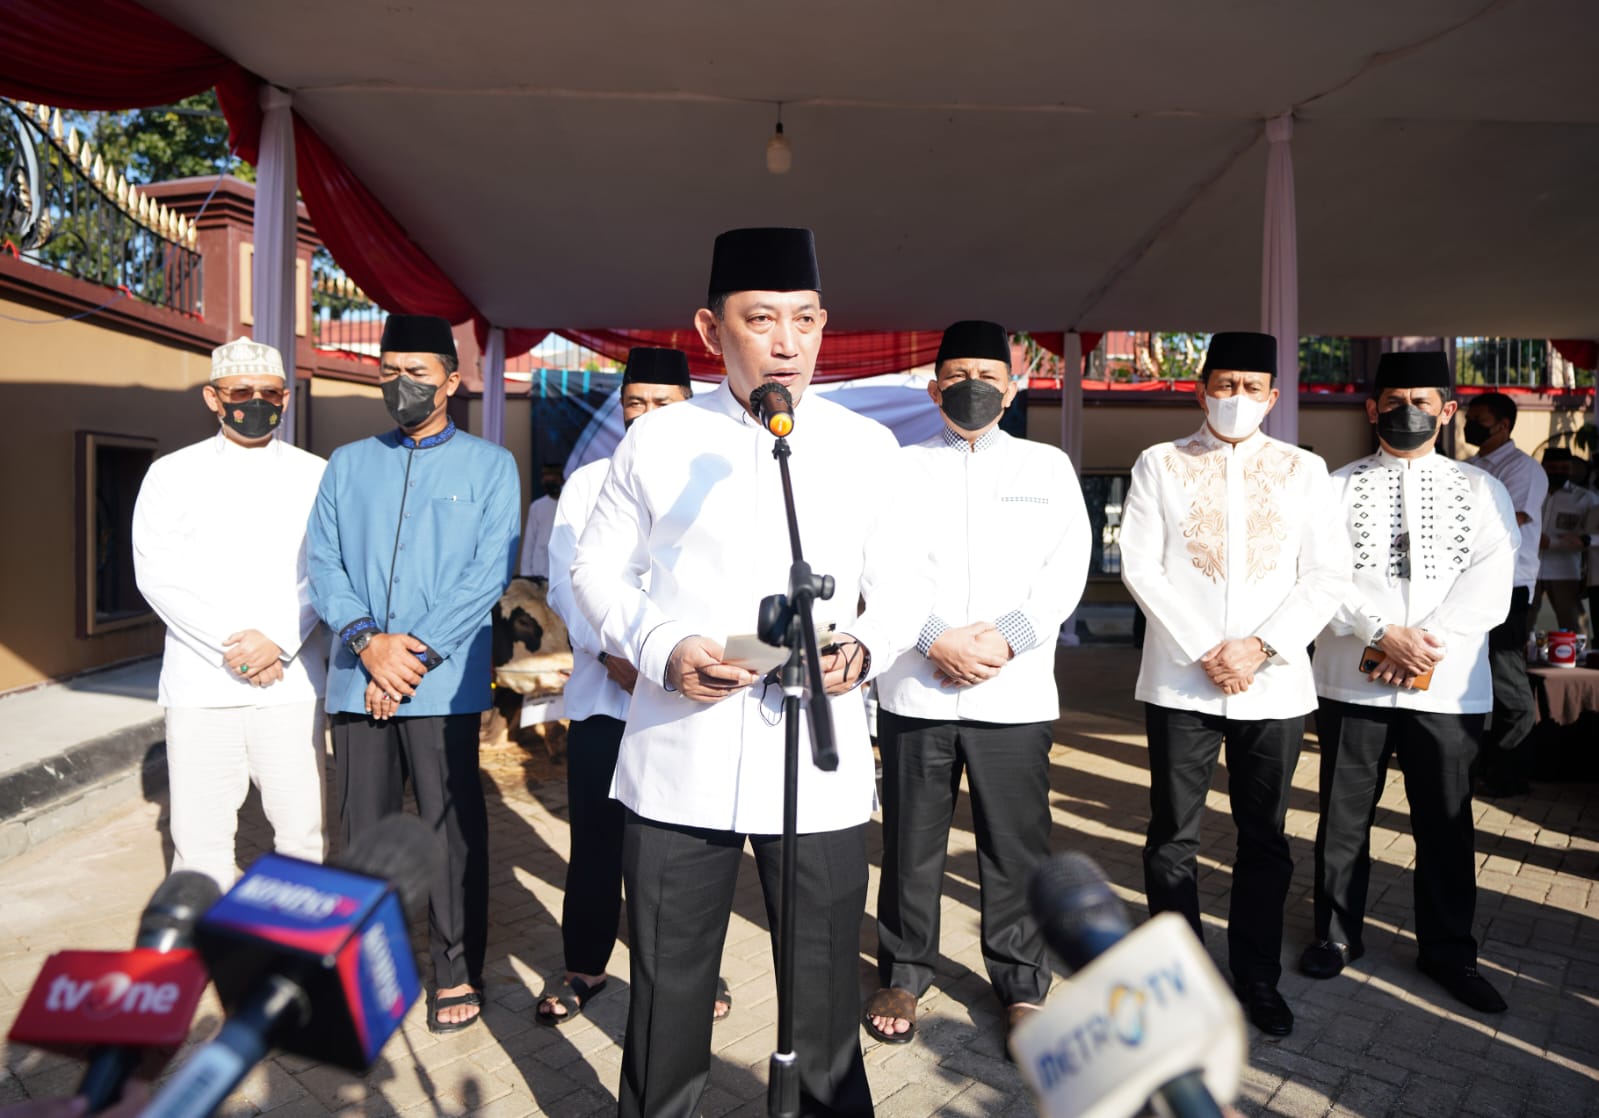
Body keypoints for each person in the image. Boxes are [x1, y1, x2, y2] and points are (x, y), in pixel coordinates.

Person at [570, 228, 924, 1117]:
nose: (786, 342)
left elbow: (906, 583)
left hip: (815, 753)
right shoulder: (658, 442)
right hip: (681, 748)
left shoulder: (865, 445)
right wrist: (661, 645)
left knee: (822, 988)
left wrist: (864, 647)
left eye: (804, 319)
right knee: (669, 984)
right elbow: (595, 570)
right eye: (760, 319)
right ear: (709, 329)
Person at [864, 320, 1090, 1049]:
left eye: (988, 376)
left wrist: (1005, 638)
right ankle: (904, 970)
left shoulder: (1045, 467)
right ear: (934, 390)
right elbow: (878, 568)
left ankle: (1021, 983)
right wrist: (933, 637)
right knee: (910, 841)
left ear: (1013, 389)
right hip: (916, 683)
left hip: (1011, 689)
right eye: (957, 375)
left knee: (1015, 847)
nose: (973, 387)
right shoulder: (897, 468)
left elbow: (1065, 570)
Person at [1117, 331, 1350, 1037]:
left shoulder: (1305, 469)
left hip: (1272, 683)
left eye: (1252, 388)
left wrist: (1259, 647)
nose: (1237, 398)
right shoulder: (1159, 462)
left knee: (1265, 837)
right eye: (1225, 385)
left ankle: (1256, 976)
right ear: (1201, 389)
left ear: (1273, 397)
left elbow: (1326, 575)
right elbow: (1140, 564)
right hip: (1180, 682)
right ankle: (1180, 982)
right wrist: (1204, 648)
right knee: (1171, 836)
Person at [306, 314, 521, 1033]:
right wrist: (369, 644)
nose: (401, 384)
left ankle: (454, 971)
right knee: (360, 832)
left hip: (441, 682)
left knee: (447, 832)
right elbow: (324, 563)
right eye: (389, 371)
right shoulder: (346, 464)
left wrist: (410, 654)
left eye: (417, 373)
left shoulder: (491, 466)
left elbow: (487, 573)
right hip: (357, 674)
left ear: (451, 381)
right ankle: (366, 968)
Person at [1305, 350, 1517, 1013]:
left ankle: (1448, 952)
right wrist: (1379, 633)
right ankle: (1335, 935)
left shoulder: (1481, 489)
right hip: (1351, 681)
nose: (1408, 412)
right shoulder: (1333, 488)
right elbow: (1315, 576)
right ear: (1372, 409)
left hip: (1447, 685)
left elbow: (1494, 577)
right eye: (1394, 401)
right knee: (1343, 818)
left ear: (1446, 410)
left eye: (1423, 401)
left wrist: (1424, 646)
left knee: (1445, 822)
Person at [540, 347, 732, 1026]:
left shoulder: (723, 475)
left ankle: (694, 975)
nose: (646, 415)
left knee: (687, 846)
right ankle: (584, 966)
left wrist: (682, 658)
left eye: (662, 403)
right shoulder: (589, 481)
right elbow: (567, 583)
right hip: (606, 690)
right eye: (634, 404)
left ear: (689, 404)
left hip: (690, 697)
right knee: (596, 839)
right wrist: (614, 652)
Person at [132, 336, 327, 891]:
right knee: (200, 839)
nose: (256, 402)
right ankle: (202, 935)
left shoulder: (318, 474)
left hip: (290, 682)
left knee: (301, 834)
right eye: (241, 392)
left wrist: (278, 641)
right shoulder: (172, 474)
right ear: (213, 398)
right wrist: (237, 649)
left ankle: (293, 936)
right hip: (202, 684)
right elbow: (158, 574)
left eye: (269, 392)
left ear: (285, 398)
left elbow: (328, 571)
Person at [1460, 392, 1547, 797]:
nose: (1469, 425)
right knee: (1473, 678)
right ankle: (1482, 766)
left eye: (1478, 419)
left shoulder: (1523, 468)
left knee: (1508, 682)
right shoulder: (1471, 466)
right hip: (1470, 586)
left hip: (1508, 588)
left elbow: (1512, 517)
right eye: (1469, 417)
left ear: (1503, 425)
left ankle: (1511, 773)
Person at [1534, 447, 1598, 632]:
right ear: (1543, 467)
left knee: (1574, 627)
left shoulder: (1586, 499)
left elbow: (1589, 539)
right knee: (1521, 625)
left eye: (1564, 468)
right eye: (1553, 468)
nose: (1559, 473)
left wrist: (1553, 543)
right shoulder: (1532, 492)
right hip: (1529, 570)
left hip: (1565, 571)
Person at [519, 479, 561, 580]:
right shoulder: (537, 506)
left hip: (563, 571)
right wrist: (526, 574)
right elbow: (529, 540)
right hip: (540, 571)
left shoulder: (572, 504)